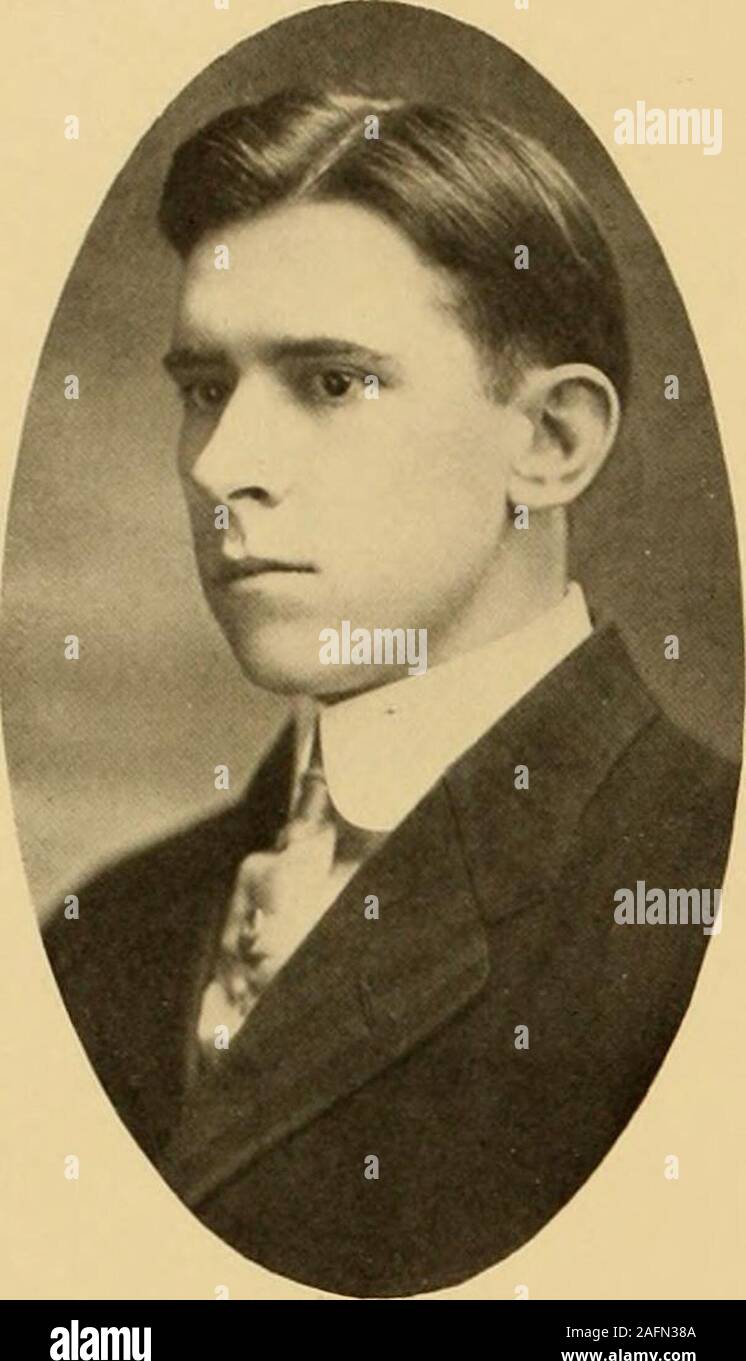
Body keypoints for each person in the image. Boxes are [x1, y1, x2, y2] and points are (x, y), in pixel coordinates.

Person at [43, 89, 739, 1298]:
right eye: (204, 387)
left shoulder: (698, 888)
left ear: (551, 442)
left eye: (329, 382)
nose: (220, 467)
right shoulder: (106, 929)